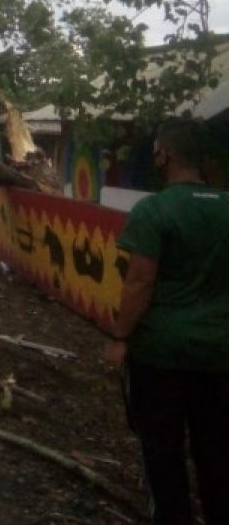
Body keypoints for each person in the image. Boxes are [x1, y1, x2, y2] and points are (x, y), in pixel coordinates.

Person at [104, 118, 229, 524]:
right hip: (220, 354)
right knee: (217, 452)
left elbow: (140, 281)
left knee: (163, 453)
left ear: (166, 154)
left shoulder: (154, 210)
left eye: (157, 149)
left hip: (161, 355)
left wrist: (119, 336)